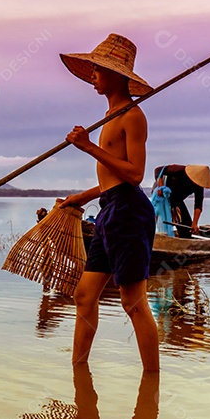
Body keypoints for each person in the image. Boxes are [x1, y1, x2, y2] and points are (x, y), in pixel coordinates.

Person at [57, 34, 159, 372]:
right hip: (110, 209)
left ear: (116, 74)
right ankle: (79, 371)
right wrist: (80, 197)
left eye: (98, 70)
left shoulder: (132, 116)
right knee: (84, 295)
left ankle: (152, 382)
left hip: (129, 212)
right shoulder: (109, 115)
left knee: (133, 303)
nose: (92, 77)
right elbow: (110, 181)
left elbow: (135, 174)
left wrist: (87, 146)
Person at [152, 164, 210, 238]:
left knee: (187, 228)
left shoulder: (199, 186)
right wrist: (161, 187)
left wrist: (194, 223)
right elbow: (158, 170)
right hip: (161, 193)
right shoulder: (180, 170)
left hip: (176, 199)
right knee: (154, 218)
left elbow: (198, 205)